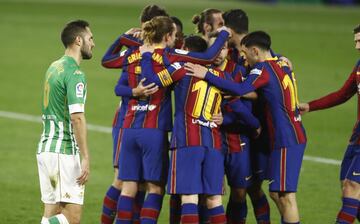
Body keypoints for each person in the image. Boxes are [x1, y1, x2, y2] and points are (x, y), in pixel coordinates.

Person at [185, 31, 307, 224]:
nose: (242, 57)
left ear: (255, 51)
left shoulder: (262, 69)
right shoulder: (281, 64)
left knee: (285, 195)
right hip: (289, 134)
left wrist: (206, 74)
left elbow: (242, 89)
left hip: (286, 137)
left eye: (244, 52)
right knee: (277, 193)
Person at [140, 33, 228, 224]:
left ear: (186, 50)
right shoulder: (219, 75)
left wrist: (146, 56)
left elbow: (149, 82)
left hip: (188, 142)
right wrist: (224, 117)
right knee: (214, 200)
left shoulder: (182, 67)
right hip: (214, 144)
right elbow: (238, 97)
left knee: (189, 198)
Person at [100, 4, 167, 224]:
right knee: (122, 180)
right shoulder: (134, 49)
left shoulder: (157, 50)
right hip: (126, 121)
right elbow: (108, 64)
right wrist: (123, 38)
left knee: (137, 182)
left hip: (143, 122)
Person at [299, 24, 360, 224]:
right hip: (357, 135)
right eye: (356, 42)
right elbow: (343, 94)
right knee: (347, 188)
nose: (357, 46)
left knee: (352, 186)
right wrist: (311, 106)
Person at [37, 20, 94, 224]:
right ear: (78, 40)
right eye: (90, 38)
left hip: (46, 148)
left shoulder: (54, 67)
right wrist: (85, 156)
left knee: (52, 214)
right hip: (63, 151)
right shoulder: (75, 73)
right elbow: (77, 117)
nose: (93, 44)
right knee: (71, 218)